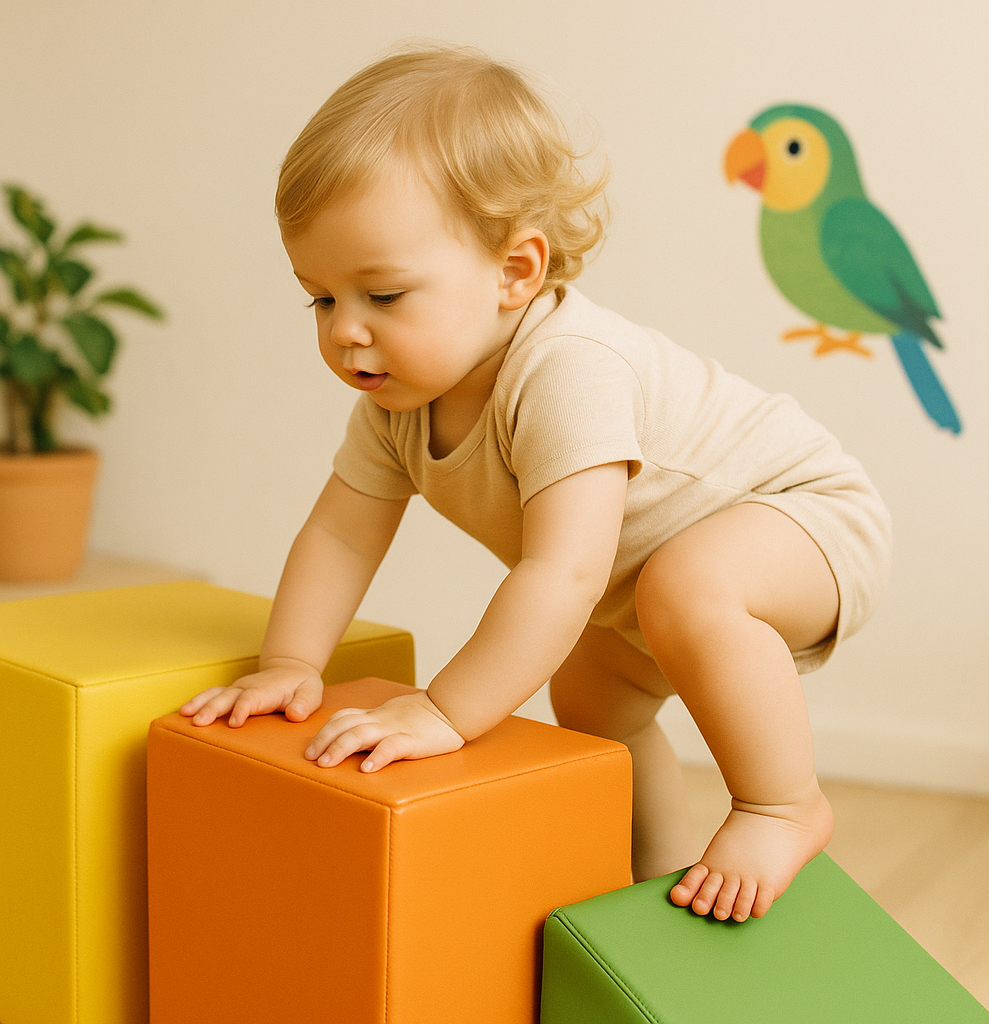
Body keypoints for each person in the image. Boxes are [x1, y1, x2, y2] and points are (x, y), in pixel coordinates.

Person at [180, 45, 891, 923]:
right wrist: (290, 663)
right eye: (321, 300)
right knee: (594, 698)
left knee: (687, 586)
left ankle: (782, 806)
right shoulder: (399, 405)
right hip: (652, 575)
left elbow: (564, 573)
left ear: (516, 271)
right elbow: (339, 533)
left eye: (385, 297)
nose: (347, 334)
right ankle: (654, 880)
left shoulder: (568, 371)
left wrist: (445, 710)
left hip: (806, 517)